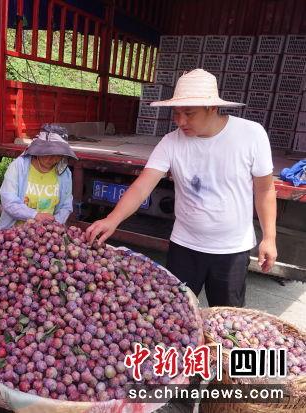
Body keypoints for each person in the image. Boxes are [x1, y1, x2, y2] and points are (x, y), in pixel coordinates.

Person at [86, 69, 277, 307]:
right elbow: (142, 186)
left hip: (232, 249)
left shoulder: (250, 135)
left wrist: (269, 237)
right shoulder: (171, 142)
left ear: (212, 108)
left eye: (189, 113)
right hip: (184, 246)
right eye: (176, 114)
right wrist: (112, 220)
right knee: (176, 313)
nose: (181, 121)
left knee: (227, 322)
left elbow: (265, 190)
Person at [0, 124, 78, 230]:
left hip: (46, 234)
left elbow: (66, 206)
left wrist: (55, 223)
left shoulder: (64, 173)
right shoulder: (19, 166)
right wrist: (35, 215)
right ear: (38, 150)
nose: (52, 158)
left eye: (57, 154)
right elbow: (9, 201)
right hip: (15, 233)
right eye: (47, 153)